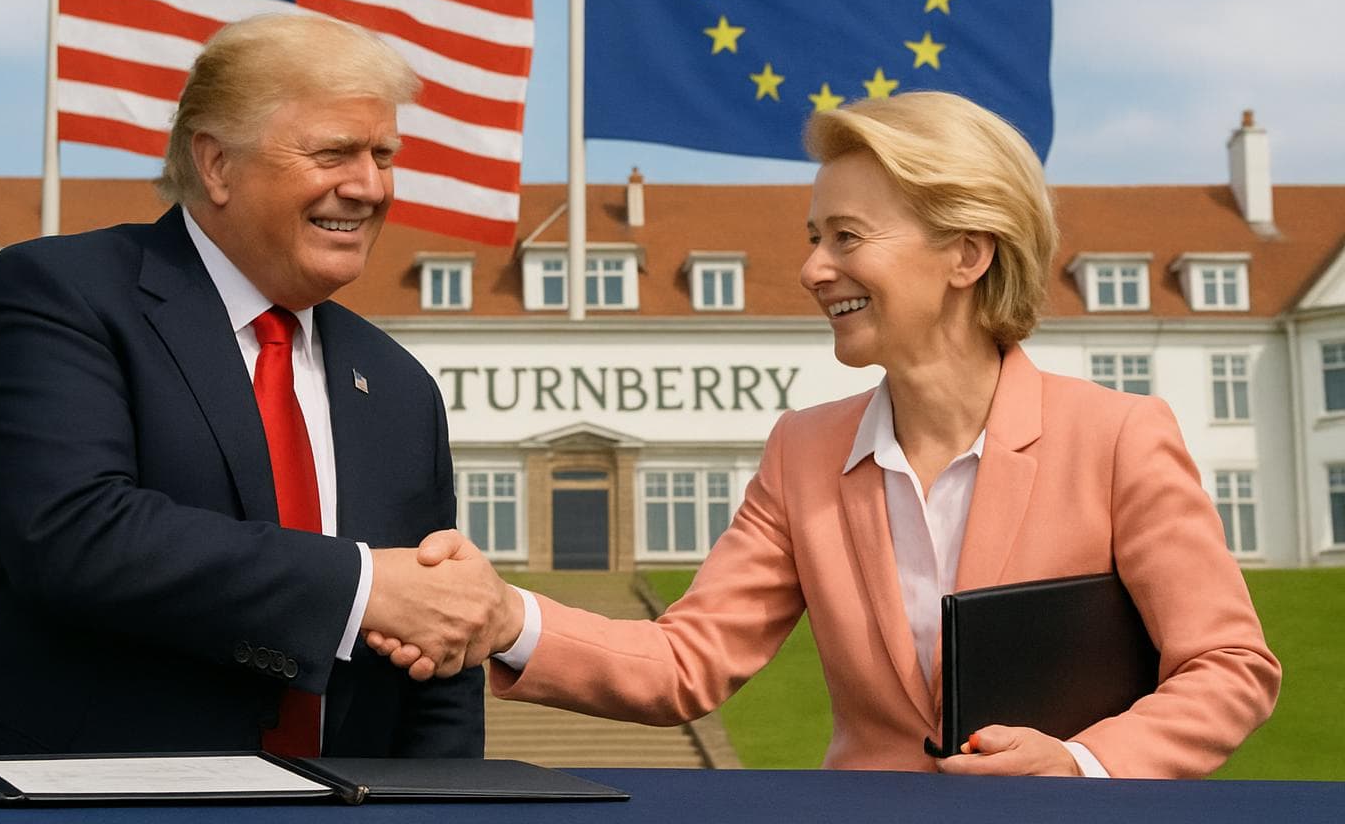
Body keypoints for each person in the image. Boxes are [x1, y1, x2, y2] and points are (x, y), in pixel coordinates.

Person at [370, 91, 1282, 778]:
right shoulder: (803, 452)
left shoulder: (1118, 437)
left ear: (967, 253)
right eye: (815, 237)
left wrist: (1082, 765)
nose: (812, 269)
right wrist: (506, 618)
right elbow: (685, 662)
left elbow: (1229, 666)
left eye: (847, 237)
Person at [0, 14, 516, 770]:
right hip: (59, 803)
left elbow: (440, 646)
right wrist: (360, 588)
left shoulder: (400, 386)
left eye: (384, 155)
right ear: (216, 164)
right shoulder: (59, 295)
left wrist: (442, 805)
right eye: (333, 153)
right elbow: (74, 534)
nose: (369, 186)